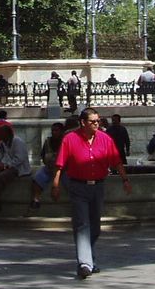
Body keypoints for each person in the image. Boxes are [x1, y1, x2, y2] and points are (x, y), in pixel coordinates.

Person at [51, 108, 132, 279]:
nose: (97, 123)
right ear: (83, 122)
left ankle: (90, 259)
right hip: (78, 186)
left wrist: (125, 179)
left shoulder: (105, 139)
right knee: (82, 225)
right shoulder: (70, 139)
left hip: (98, 186)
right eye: (93, 121)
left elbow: (116, 161)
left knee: (95, 227)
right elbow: (60, 164)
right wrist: (56, 185)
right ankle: (85, 264)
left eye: (98, 121)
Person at [0, 124, 31, 212]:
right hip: (5, 165)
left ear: (7, 134)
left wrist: (5, 165)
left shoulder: (17, 142)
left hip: (17, 167)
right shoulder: (2, 143)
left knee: (0, 177)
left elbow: (19, 159)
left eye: (1, 133)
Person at [29, 122, 66, 208]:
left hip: (63, 170)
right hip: (49, 168)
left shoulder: (66, 141)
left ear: (61, 131)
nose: (54, 132)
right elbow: (43, 155)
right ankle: (36, 199)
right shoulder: (48, 141)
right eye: (52, 130)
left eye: (56, 130)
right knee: (37, 178)